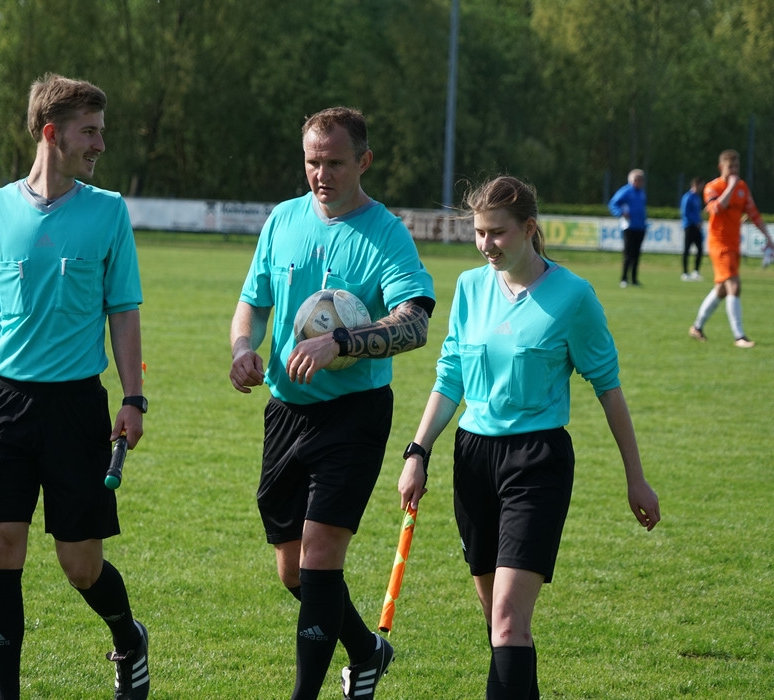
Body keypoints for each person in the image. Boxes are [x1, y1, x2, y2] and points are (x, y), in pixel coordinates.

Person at [0, 73, 150, 700]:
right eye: (90, 132)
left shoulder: (109, 211)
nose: (100, 144)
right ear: (52, 133)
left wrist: (133, 398)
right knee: (1, 547)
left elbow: (123, 310)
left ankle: (129, 637)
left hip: (78, 406)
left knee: (80, 565)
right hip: (7, 403)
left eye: (101, 131)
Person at [398, 176, 660, 699]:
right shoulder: (470, 287)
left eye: (497, 233)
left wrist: (636, 478)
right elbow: (450, 378)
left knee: (507, 620)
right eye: (479, 233)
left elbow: (609, 390)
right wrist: (417, 451)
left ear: (529, 228)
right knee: (500, 624)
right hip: (473, 460)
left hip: (537, 461)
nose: (486, 244)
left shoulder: (573, 296)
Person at [229, 106, 436, 700]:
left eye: (335, 163)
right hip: (285, 409)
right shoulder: (283, 219)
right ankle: (367, 651)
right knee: (293, 570)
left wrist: (340, 341)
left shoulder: (386, 233)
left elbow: (415, 323)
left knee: (320, 558)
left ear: (363, 161)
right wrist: (243, 347)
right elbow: (253, 303)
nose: (321, 175)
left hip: (354, 413)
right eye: (312, 162)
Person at [689, 149, 774, 348]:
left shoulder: (743, 188)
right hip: (719, 244)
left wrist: (769, 238)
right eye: (730, 167)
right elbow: (716, 209)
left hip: (734, 244)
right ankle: (739, 337)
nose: (734, 170)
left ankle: (697, 327)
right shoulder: (712, 187)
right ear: (721, 168)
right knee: (734, 285)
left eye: (737, 166)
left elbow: (753, 214)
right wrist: (731, 186)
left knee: (721, 290)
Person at [609, 168, 648, 287]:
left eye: (642, 179)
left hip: (640, 227)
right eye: (638, 179)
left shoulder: (641, 193)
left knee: (637, 254)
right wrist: (621, 213)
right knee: (628, 254)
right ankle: (624, 278)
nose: (641, 182)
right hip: (629, 226)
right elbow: (613, 203)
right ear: (633, 180)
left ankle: (634, 279)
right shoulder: (626, 191)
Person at [680, 178, 705, 281]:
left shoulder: (697, 197)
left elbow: (697, 212)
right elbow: (685, 213)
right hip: (689, 226)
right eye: (701, 185)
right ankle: (685, 273)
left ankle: (696, 271)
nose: (702, 187)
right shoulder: (688, 196)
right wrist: (696, 222)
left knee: (700, 249)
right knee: (687, 249)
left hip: (697, 227)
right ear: (696, 185)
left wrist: (700, 221)